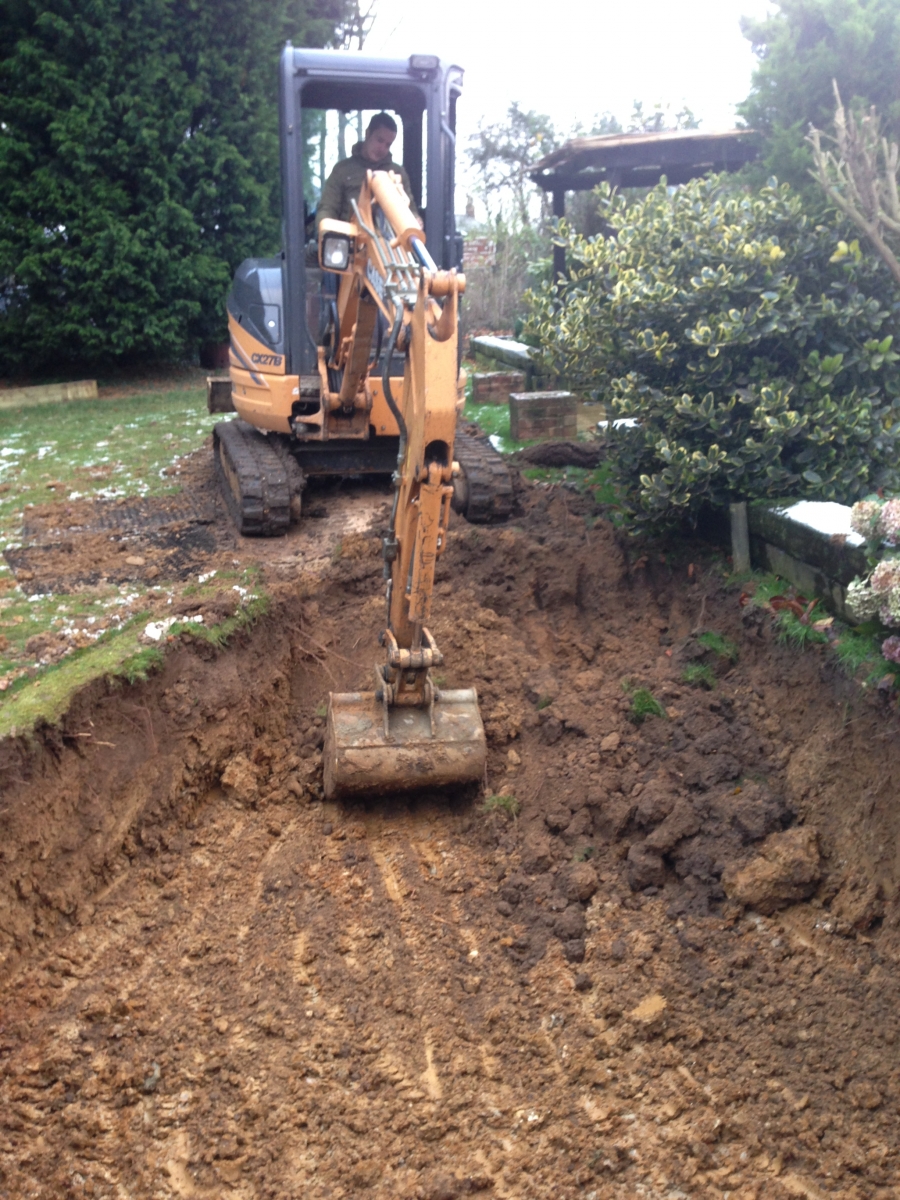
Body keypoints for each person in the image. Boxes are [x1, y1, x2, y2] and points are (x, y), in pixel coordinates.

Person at [316, 112, 420, 229]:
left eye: (388, 145)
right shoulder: (342, 170)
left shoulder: (397, 174)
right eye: (379, 140)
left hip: (390, 244)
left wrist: (416, 220)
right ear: (367, 133)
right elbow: (327, 209)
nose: (382, 149)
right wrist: (326, 230)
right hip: (349, 242)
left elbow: (410, 211)